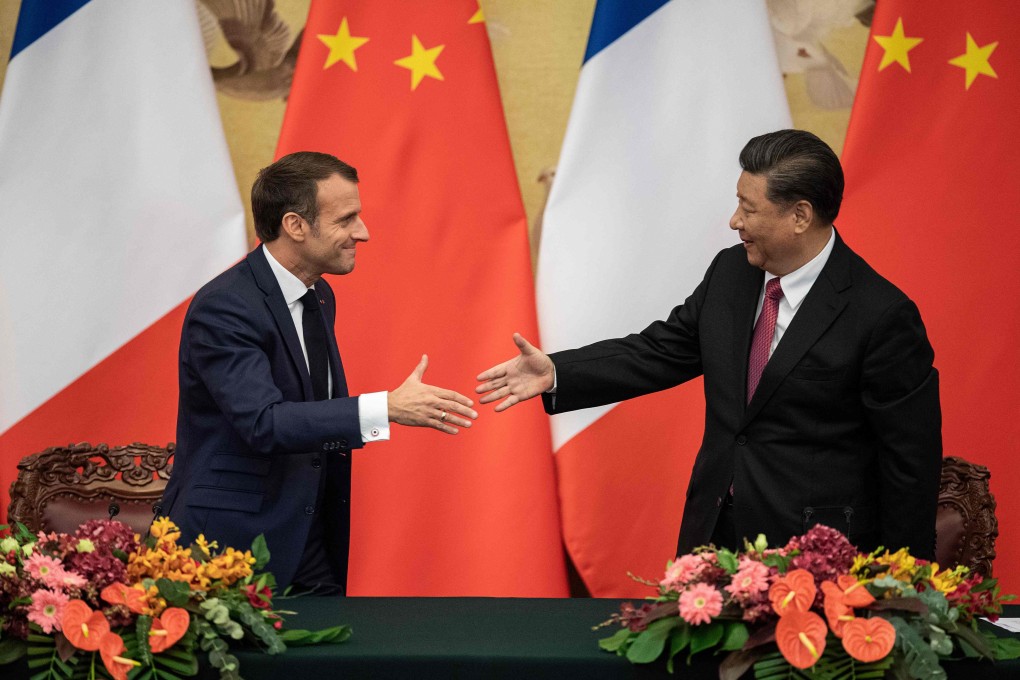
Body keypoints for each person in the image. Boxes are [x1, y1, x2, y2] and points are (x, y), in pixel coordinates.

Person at [476, 129, 942, 558]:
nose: (734, 220)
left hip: (814, 553)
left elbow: (909, 465)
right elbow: (660, 350)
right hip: (712, 533)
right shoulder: (731, 274)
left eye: (749, 208)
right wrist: (558, 371)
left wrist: (902, 588)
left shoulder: (881, 315)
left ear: (800, 215)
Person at [162, 151, 478, 593]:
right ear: (295, 225)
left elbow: (312, 410)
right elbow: (264, 422)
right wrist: (384, 408)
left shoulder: (320, 295)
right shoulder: (225, 307)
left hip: (307, 533)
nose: (362, 233)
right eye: (347, 219)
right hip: (230, 545)